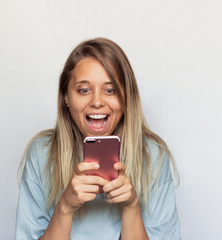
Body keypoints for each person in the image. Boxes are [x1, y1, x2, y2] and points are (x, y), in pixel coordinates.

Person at [15, 38, 181, 240]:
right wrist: (65, 207)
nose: (96, 102)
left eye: (110, 90)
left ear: (126, 96)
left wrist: (131, 207)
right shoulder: (41, 153)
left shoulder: (153, 155)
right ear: (66, 97)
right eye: (83, 90)